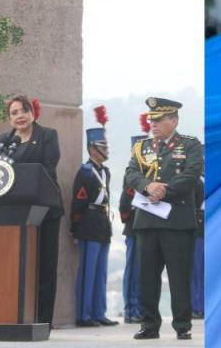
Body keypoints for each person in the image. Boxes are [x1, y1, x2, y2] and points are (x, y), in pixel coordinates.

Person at [124, 97, 203, 341]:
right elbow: (131, 173)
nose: (153, 124)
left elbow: (192, 174)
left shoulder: (189, 144)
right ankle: (149, 325)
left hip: (177, 221)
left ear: (174, 120)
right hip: (147, 221)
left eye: (158, 120)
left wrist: (164, 191)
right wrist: (148, 186)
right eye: (151, 120)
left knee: (179, 275)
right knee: (147, 276)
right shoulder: (142, 147)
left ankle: (182, 324)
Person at [0, 96, 62, 325]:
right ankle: (15, 316)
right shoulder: (5, 140)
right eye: (14, 113)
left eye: (24, 111)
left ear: (33, 113)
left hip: (44, 209)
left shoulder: (47, 135)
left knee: (44, 266)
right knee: (17, 265)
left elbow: (47, 167)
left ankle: (43, 319)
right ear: (10, 118)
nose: (20, 116)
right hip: (13, 212)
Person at [70, 108, 118, 328]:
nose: (106, 150)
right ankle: (84, 314)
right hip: (88, 222)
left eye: (106, 146)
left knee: (100, 271)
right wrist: (75, 226)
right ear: (92, 148)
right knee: (88, 271)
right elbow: (78, 201)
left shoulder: (106, 172)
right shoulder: (85, 171)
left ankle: (99, 311)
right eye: (103, 147)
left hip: (102, 222)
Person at [119, 122, 148, 325]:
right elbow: (124, 203)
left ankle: (140, 307)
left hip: (146, 225)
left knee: (144, 269)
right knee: (134, 269)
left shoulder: (149, 172)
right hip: (134, 226)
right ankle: (131, 308)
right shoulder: (132, 174)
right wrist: (129, 220)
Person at [191, 173, 204, 321]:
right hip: (198, 226)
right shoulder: (195, 179)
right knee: (196, 270)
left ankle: (202, 305)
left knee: (203, 270)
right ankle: (196, 306)